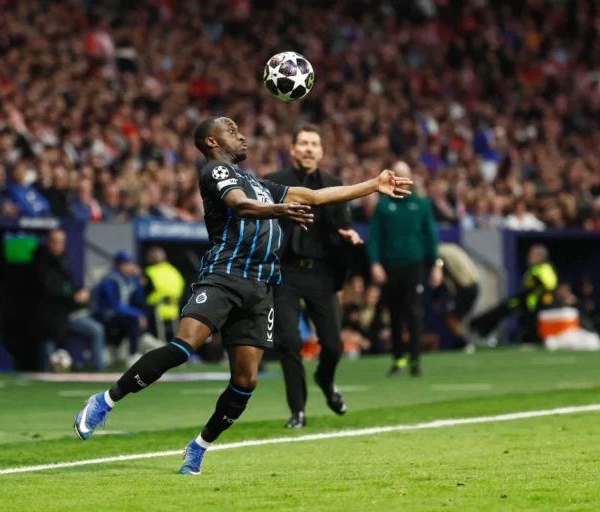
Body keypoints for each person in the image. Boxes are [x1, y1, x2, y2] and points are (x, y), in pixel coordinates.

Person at [73, 116, 412, 475]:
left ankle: (199, 446)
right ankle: (103, 403)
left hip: (261, 288)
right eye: (232, 131)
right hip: (225, 277)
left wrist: (373, 185)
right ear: (211, 142)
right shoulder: (215, 172)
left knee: (246, 381)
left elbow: (315, 196)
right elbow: (239, 205)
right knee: (183, 346)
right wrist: (279, 211)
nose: (242, 136)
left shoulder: (258, 183)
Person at [264, 124, 363, 429]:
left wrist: (348, 235)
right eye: (303, 143)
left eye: (314, 144)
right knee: (289, 341)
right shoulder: (274, 183)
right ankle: (298, 411)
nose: (308, 148)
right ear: (292, 149)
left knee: (333, 345)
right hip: (286, 272)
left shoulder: (334, 184)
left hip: (321, 272)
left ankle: (325, 379)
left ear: (321, 152)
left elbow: (343, 224)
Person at [368, 162, 442, 377]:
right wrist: (375, 263)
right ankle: (398, 358)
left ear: (410, 178)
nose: (400, 179)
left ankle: (415, 359)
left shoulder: (421, 205)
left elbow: (431, 236)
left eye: (404, 176)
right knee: (394, 314)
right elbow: (375, 237)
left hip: (414, 267)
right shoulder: (383, 206)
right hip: (391, 267)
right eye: (397, 175)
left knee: (414, 313)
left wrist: (436, 265)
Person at [33, 229, 106, 372]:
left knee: (97, 330)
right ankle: (47, 372)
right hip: (49, 316)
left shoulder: (63, 261)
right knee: (48, 337)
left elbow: (68, 285)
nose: (58, 245)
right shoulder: (41, 262)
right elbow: (51, 289)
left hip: (66, 314)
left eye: (61, 242)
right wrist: (73, 296)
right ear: (49, 242)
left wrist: (79, 293)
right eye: (55, 242)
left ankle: (98, 370)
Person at [470, 244, 557, 344]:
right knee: (502, 309)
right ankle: (480, 330)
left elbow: (544, 287)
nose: (529, 258)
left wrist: (522, 298)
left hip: (537, 306)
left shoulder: (543, 269)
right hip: (528, 304)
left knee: (505, 310)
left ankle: (480, 331)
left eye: (532, 255)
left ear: (540, 257)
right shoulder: (536, 269)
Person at [91, 251, 149, 365]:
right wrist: (138, 314)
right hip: (104, 314)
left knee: (137, 318)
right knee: (133, 320)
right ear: (120, 264)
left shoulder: (127, 278)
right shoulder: (110, 279)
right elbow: (115, 305)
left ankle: (118, 351)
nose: (130, 266)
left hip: (117, 314)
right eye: (127, 263)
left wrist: (138, 278)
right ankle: (133, 355)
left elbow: (137, 298)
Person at [432, 243, 480, 350]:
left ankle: (464, 343)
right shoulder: (450, 248)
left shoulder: (439, 254)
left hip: (465, 286)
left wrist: (436, 297)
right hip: (473, 284)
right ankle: (463, 343)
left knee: (452, 317)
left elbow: (439, 270)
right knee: (456, 317)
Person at [143, 247, 185, 343]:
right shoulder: (174, 271)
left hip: (156, 310)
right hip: (174, 310)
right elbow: (182, 286)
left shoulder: (149, 272)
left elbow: (144, 292)